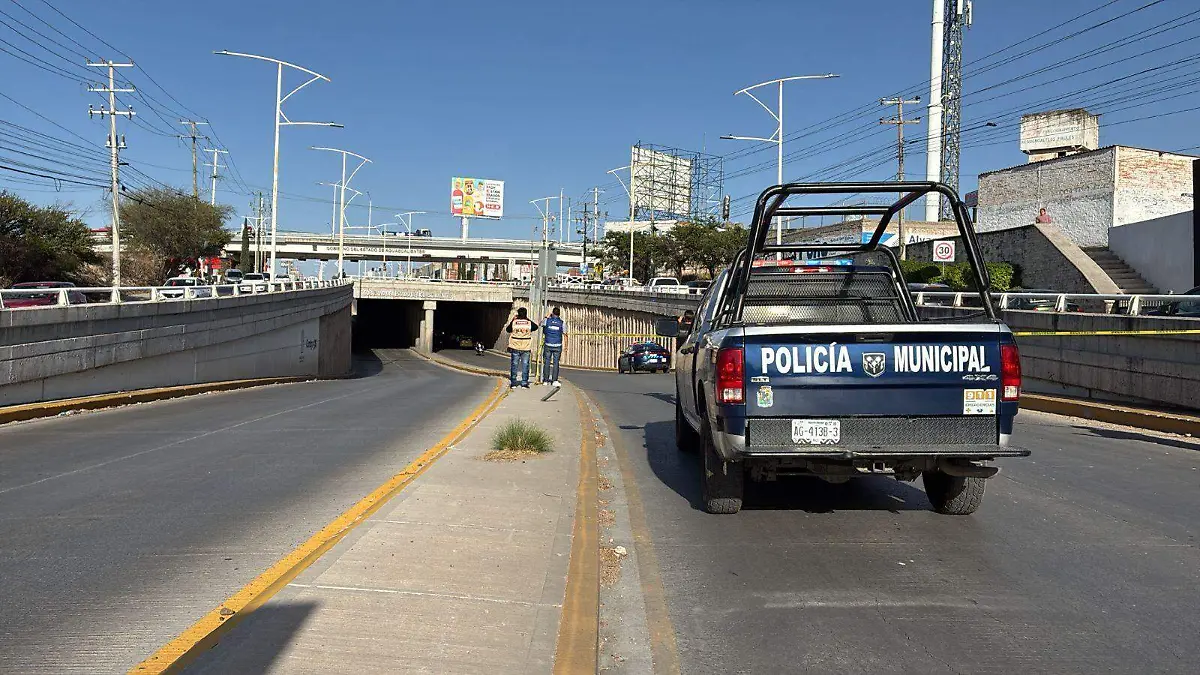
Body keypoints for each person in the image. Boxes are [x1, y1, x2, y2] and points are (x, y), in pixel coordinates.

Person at [505, 307, 538, 389]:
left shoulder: (514, 322)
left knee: (514, 365)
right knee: (525, 365)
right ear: (526, 314)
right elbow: (536, 327)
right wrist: (527, 319)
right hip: (526, 347)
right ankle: (524, 383)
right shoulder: (528, 323)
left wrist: (513, 320)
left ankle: (513, 383)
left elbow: (508, 330)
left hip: (515, 346)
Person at [541, 307, 567, 387]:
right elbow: (565, 334)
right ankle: (554, 380)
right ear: (559, 314)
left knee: (547, 362)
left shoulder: (547, 321)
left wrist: (546, 317)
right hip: (557, 345)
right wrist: (566, 346)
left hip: (548, 344)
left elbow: (540, 324)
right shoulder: (562, 323)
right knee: (556, 363)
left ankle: (545, 380)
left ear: (552, 313)